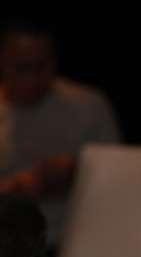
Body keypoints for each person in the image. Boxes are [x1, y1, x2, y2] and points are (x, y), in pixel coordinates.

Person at [0, 20, 120, 245]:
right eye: (21, 67)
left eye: (41, 66)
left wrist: (81, 173)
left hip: (76, 243)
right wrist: (20, 186)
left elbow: (121, 182)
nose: (32, 78)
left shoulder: (89, 106)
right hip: (8, 250)